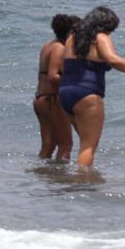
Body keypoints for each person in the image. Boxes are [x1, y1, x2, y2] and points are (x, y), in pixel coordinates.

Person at [58, 6, 125, 169]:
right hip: (87, 95)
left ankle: (80, 181)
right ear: (103, 26)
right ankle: (83, 183)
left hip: (66, 93)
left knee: (84, 142)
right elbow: (113, 59)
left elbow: (63, 66)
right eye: (110, 29)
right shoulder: (100, 37)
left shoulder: (71, 38)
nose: (110, 33)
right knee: (88, 146)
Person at [33, 14, 78, 160]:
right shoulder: (59, 48)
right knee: (66, 144)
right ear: (69, 32)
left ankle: (42, 175)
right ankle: (61, 179)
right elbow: (53, 76)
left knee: (49, 144)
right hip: (52, 100)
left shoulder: (48, 46)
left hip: (41, 99)